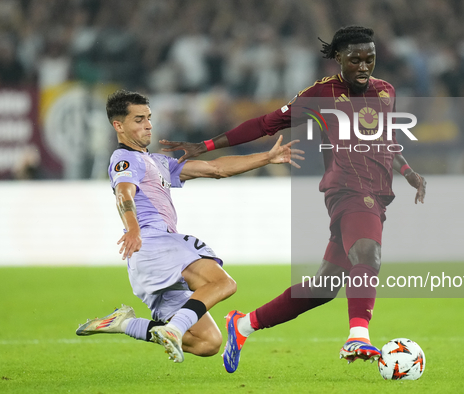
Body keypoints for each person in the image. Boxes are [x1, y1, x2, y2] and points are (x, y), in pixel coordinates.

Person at [160, 26, 427, 373]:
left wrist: (407, 172)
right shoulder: (320, 94)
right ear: (338, 59)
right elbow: (265, 123)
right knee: (368, 253)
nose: (364, 66)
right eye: (355, 59)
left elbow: (386, 141)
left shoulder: (386, 92)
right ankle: (357, 335)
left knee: (325, 286)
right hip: (347, 190)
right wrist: (206, 146)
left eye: (370, 59)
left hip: (376, 194)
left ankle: (242, 325)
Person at [75, 89, 302, 363]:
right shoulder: (126, 160)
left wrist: (265, 157)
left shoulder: (157, 161)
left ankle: (126, 324)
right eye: (138, 119)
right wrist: (133, 228)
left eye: (148, 117)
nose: (147, 124)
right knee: (222, 282)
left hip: (148, 260)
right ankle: (174, 328)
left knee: (208, 342)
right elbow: (124, 192)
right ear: (118, 125)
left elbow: (216, 169)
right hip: (153, 242)